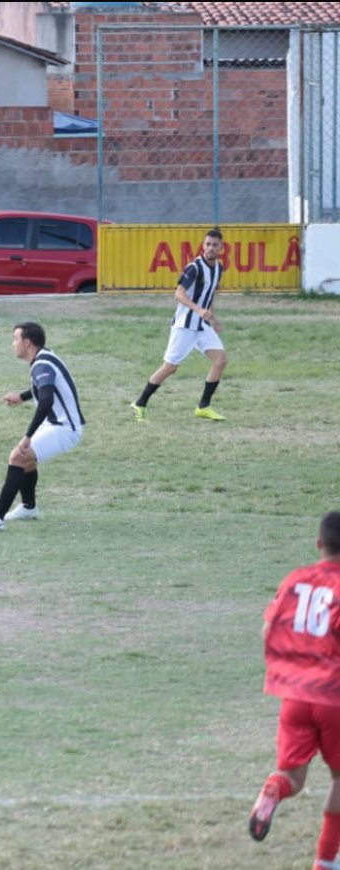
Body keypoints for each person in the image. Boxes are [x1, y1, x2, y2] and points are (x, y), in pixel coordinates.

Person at [249, 511, 340, 870]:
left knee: (292, 776)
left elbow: (267, 629)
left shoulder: (296, 580)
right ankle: (326, 861)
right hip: (333, 697)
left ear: (319, 544)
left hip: (295, 697)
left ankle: (273, 790)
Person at [0, 322, 85, 532]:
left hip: (64, 428)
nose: (13, 344)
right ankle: (28, 507)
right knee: (27, 462)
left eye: (15, 339)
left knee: (18, 456)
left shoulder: (41, 365)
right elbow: (44, 388)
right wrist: (21, 396)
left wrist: (27, 436)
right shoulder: (44, 358)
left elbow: (46, 401)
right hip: (57, 424)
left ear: (27, 343)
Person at [130, 228, 228, 422]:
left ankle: (203, 406)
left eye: (214, 245)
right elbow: (179, 294)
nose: (210, 248)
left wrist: (212, 318)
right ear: (203, 245)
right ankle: (139, 403)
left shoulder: (218, 268)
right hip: (185, 325)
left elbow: (209, 295)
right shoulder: (194, 267)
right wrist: (199, 311)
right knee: (170, 367)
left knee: (221, 360)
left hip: (202, 326)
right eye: (207, 244)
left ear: (221, 248)